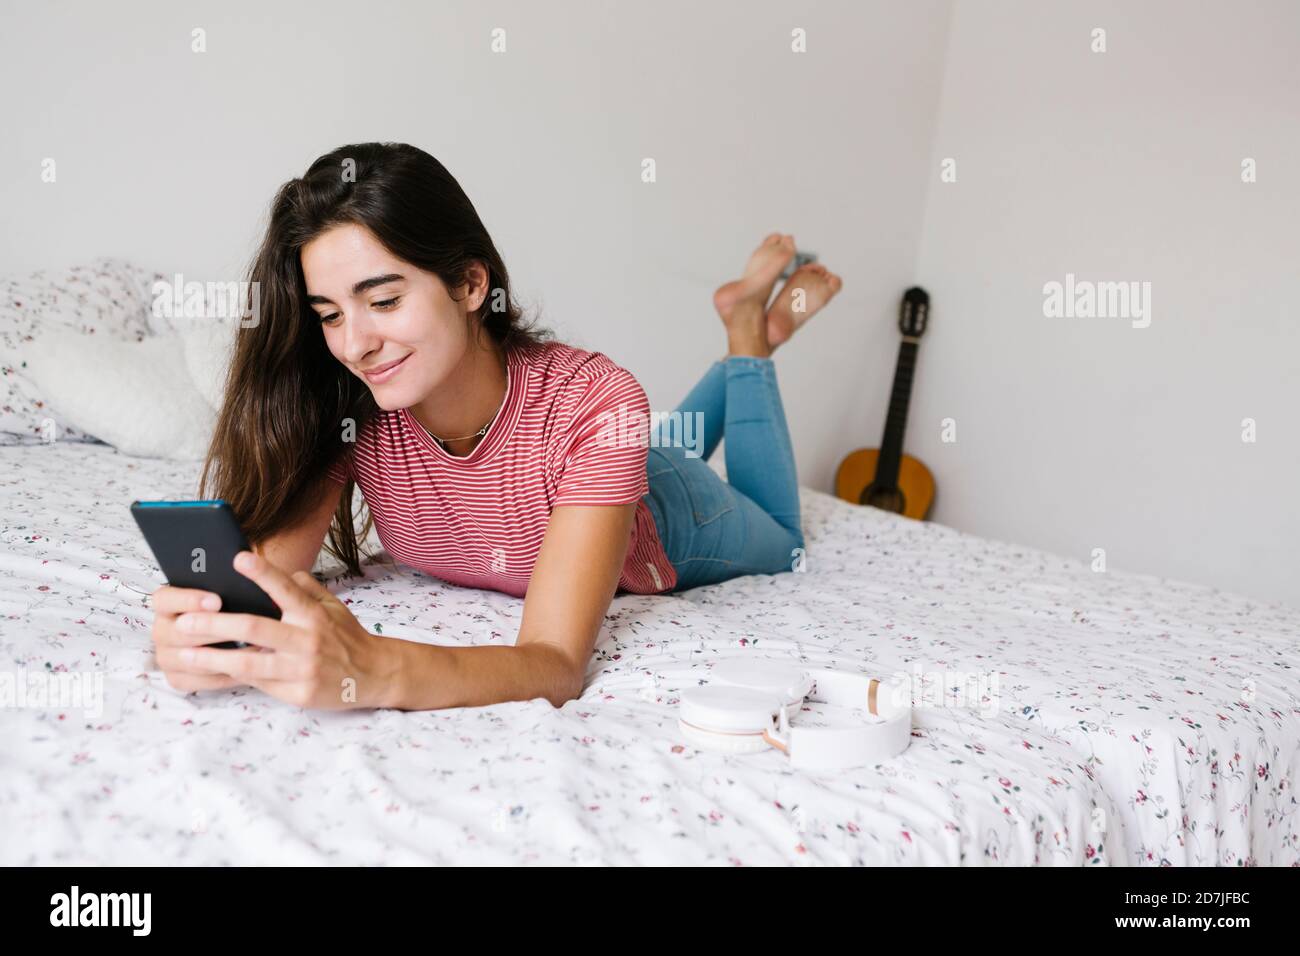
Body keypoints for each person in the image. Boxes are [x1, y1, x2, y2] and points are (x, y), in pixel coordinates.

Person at [148, 143, 842, 712]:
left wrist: (378, 667)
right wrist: (207, 635)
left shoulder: (597, 400)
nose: (354, 343)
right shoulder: (352, 410)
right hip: (602, 459)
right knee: (637, 437)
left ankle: (749, 337)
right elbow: (264, 579)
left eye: (383, 300)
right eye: (329, 314)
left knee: (782, 538)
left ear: (472, 284)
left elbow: (556, 664)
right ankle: (745, 337)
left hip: (667, 509)